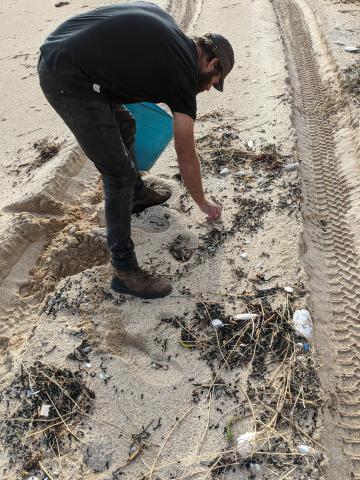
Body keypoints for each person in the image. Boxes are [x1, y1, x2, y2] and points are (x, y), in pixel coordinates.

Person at [37, 1, 235, 299]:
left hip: (64, 52)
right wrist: (202, 202)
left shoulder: (170, 33)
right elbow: (186, 154)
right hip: (68, 78)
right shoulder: (182, 74)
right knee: (118, 175)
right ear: (212, 64)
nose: (208, 88)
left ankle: (138, 197)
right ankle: (125, 272)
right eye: (214, 83)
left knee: (126, 124)